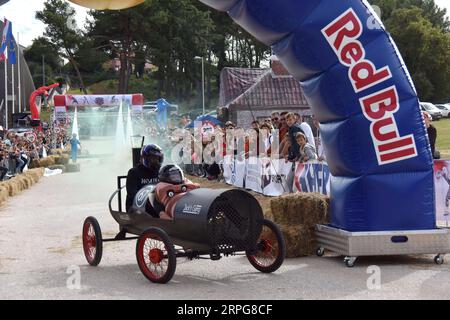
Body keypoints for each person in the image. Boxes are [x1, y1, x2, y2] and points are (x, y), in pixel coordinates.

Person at [125, 144, 164, 213]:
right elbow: (132, 194)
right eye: (153, 158)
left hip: (156, 204)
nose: (156, 161)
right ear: (144, 158)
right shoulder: (133, 172)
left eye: (158, 158)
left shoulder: (161, 172)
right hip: (137, 205)